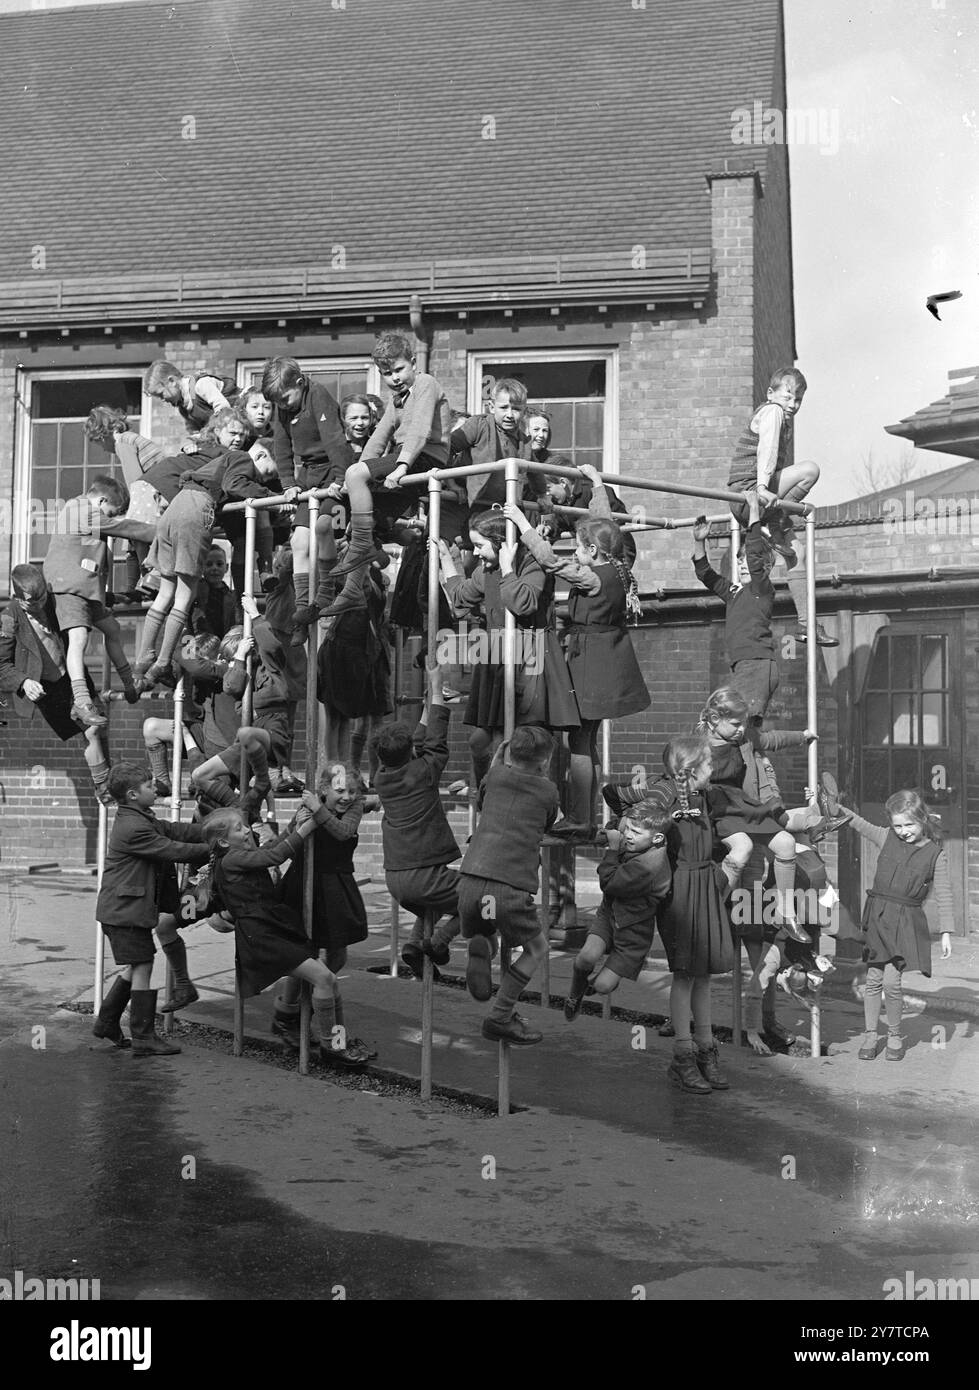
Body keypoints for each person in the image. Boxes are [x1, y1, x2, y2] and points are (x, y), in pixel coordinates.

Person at [504, 465, 649, 840]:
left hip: (592, 663)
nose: (578, 553)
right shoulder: (619, 566)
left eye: (582, 549)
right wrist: (598, 484)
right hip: (610, 660)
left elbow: (551, 561)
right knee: (587, 738)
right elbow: (604, 523)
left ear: (593, 551)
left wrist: (523, 523)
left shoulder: (591, 576)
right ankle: (588, 812)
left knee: (578, 741)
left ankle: (581, 818)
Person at [201, 794, 367, 1068]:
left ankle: (336, 1042)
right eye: (239, 829)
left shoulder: (239, 854)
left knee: (327, 978)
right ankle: (332, 1047)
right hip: (262, 936)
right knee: (325, 978)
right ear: (222, 841)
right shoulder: (232, 860)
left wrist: (292, 828)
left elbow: (270, 850)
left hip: (270, 929)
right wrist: (307, 827)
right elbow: (276, 855)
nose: (247, 830)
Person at [822, 784, 954, 1062]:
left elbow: (944, 893)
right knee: (873, 979)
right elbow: (856, 822)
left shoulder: (935, 854)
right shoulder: (885, 837)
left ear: (922, 820)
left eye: (909, 824)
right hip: (879, 917)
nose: (903, 831)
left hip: (906, 922)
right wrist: (831, 805)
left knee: (892, 982)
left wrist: (946, 931)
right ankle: (871, 1034)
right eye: (897, 825)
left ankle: (894, 1034)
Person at [324, 332, 452, 617]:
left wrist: (402, 465)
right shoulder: (397, 401)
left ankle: (365, 543)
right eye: (386, 373)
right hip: (407, 459)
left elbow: (419, 429)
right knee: (360, 495)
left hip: (426, 457)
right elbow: (378, 439)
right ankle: (365, 568)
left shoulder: (425, 383)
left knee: (358, 478)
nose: (394, 377)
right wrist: (352, 479)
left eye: (398, 370)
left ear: (414, 363)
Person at [134, 410, 265, 687]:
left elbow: (185, 478)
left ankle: (144, 655)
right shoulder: (241, 458)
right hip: (195, 511)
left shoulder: (207, 459)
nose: (239, 439)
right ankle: (161, 663)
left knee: (165, 592)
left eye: (243, 435)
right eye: (234, 433)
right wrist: (268, 495)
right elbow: (236, 484)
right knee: (185, 594)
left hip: (173, 510)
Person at [92, 762, 210, 1056]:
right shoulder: (134, 828)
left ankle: (107, 1021)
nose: (155, 787)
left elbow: (174, 829)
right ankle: (143, 1037)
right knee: (143, 964)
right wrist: (218, 846)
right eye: (148, 785)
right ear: (133, 794)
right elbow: (172, 848)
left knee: (137, 964)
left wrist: (209, 830)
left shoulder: (140, 816)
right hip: (124, 911)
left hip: (125, 909)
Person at [643, 736, 735, 1093]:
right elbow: (635, 813)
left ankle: (706, 1049)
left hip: (705, 887)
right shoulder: (665, 800)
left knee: (704, 975)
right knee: (684, 975)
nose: (713, 767)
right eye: (708, 763)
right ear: (691, 769)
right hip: (680, 894)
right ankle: (682, 1056)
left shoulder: (704, 799)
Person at [457, 725, 559, 1045]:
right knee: (537, 948)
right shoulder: (547, 791)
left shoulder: (495, 777)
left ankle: (483, 947)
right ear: (546, 761)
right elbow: (548, 822)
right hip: (510, 887)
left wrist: (499, 762)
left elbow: (484, 803)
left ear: (508, 752)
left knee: (487, 930)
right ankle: (500, 1016)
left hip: (470, 880)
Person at [697, 685, 818, 943]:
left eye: (743, 723)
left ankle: (787, 914)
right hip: (720, 810)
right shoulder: (699, 748)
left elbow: (771, 739)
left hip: (746, 805)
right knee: (743, 848)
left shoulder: (745, 739)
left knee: (786, 844)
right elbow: (682, 776)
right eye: (735, 724)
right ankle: (713, 906)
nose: (741, 729)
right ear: (714, 720)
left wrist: (802, 735)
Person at [726, 366, 835, 647]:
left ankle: (806, 625)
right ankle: (775, 521)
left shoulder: (782, 417)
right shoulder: (772, 412)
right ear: (771, 393)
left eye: (798, 400)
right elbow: (767, 451)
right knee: (810, 469)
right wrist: (762, 487)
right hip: (748, 494)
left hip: (761, 499)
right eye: (788, 397)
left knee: (798, 553)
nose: (793, 405)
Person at [278, 763, 375, 1063]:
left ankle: (297, 1014)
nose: (346, 796)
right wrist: (298, 822)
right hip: (305, 884)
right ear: (323, 790)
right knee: (303, 960)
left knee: (337, 955)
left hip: (335, 886)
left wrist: (317, 810)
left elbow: (343, 833)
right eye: (340, 790)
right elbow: (287, 838)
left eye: (352, 791)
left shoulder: (353, 810)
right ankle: (291, 1015)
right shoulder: (310, 808)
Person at [373, 663, 463, 980]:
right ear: (410, 750)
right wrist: (437, 687)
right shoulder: (424, 772)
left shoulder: (383, 777)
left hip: (396, 880)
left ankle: (413, 945)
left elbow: (421, 744)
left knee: (432, 904)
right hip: (424, 876)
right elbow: (435, 740)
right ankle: (440, 941)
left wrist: (427, 705)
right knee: (484, 898)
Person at [43, 475, 156, 720]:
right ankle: (82, 701)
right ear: (102, 500)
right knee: (79, 637)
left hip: (86, 591)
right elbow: (126, 528)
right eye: (111, 511)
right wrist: (165, 532)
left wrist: (108, 596)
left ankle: (129, 685)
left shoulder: (86, 512)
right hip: (69, 590)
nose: (110, 518)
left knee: (112, 629)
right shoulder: (82, 510)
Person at [0, 564, 113, 804]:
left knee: (96, 730)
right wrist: (23, 681)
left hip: (73, 678)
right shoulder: (9, 618)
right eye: (33, 603)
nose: (41, 606)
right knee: (91, 731)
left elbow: (83, 601)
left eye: (43, 598)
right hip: (46, 690)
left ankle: (106, 783)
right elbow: (1, 665)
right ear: (18, 599)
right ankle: (104, 786)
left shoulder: (55, 600)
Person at [262, 356, 353, 633]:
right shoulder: (282, 409)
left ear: (300, 384)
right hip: (309, 474)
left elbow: (334, 439)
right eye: (277, 402)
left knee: (323, 528)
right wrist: (288, 482)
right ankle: (303, 607)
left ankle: (325, 590)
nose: (283, 406)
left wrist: (341, 477)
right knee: (299, 541)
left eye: (286, 399)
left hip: (333, 469)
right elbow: (281, 445)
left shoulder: (318, 396)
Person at [564, 804, 672, 1020]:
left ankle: (592, 986)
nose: (628, 836)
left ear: (657, 838)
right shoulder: (641, 843)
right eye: (628, 829)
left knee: (604, 986)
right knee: (586, 957)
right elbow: (617, 805)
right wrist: (618, 826)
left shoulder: (649, 866)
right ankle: (575, 993)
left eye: (636, 832)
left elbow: (609, 883)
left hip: (634, 932)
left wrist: (613, 849)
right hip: (610, 914)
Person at [692, 494, 779, 723]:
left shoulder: (762, 589)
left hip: (757, 666)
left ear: (765, 567)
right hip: (744, 666)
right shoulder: (734, 593)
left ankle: (754, 759)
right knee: (742, 728)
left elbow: (753, 553)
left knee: (738, 725)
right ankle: (757, 760)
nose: (742, 564)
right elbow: (705, 575)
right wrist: (699, 541)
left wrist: (753, 510)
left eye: (746, 562)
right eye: (739, 561)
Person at [84, 405, 167, 600]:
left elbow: (136, 480)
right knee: (135, 537)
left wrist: (130, 510)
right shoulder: (133, 439)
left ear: (103, 434)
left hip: (149, 490)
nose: (103, 448)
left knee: (135, 532)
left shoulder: (123, 441)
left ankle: (147, 581)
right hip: (159, 489)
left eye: (99, 443)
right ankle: (137, 584)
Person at [316, 556, 392, 762]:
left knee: (344, 718)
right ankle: (333, 769)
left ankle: (341, 769)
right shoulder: (346, 587)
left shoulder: (373, 591)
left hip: (354, 656)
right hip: (338, 654)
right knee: (336, 718)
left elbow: (379, 565)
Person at [449, 378, 545, 512]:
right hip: (461, 501)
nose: (510, 415)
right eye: (504, 408)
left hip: (495, 508)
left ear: (524, 411)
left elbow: (535, 472)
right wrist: (451, 484)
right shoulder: (478, 425)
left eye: (516, 409)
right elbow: (447, 448)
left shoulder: (524, 443)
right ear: (492, 407)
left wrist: (542, 495)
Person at [143, 359, 238, 431]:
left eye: (161, 394)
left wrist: (209, 433)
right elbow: (194, 429)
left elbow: (224, 410)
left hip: (241, 423)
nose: (163, 400)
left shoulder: (201, 385)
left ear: (172, 381)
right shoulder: (184, 407)